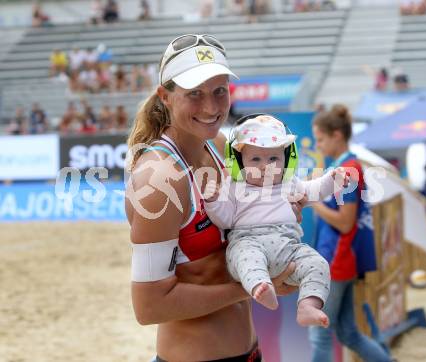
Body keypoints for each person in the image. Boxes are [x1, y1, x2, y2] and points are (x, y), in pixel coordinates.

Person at [126, 34, 303, 361]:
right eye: (195, 93)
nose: (211, 107)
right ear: (165, 96)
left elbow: (238, 232)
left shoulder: (220, 146)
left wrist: (275, 213)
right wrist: (254, 288)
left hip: (248, 351)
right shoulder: (159, 178)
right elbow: (150, 306)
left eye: (219, 91)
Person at [203, 114, 350, 327]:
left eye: (273, 159)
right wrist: (214, 202)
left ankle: (308, 305)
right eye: (255, 159)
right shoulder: (234, 188)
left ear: (287, 158)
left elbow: (313, 190)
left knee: (318, 264)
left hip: (289, 247)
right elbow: (225, 219)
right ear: (239, 161)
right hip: (248, 241)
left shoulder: (290, 183)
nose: (265, 167)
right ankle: (260, 287)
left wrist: (332, 180)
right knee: (247, 259)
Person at [308, 104, 393, 362]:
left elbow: (345, 223)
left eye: (320, 139)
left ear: (337, 135)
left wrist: (314, 202)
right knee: (348, 333)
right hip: (340, 259)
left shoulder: (348, 169)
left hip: (337, 260)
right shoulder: (345, 166)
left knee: (319, 333)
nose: (318, 145)